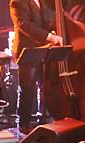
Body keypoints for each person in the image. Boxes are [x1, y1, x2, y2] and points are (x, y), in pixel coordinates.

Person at [10, 0, 64, 132]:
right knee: (28, 89)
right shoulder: (17, 2)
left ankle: (44, 119)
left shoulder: (41, 1)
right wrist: (49, 37)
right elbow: (24, 25)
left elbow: (48, 17)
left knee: (44, 85)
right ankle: (24, 124)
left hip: (43, 47)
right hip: (27, 49)